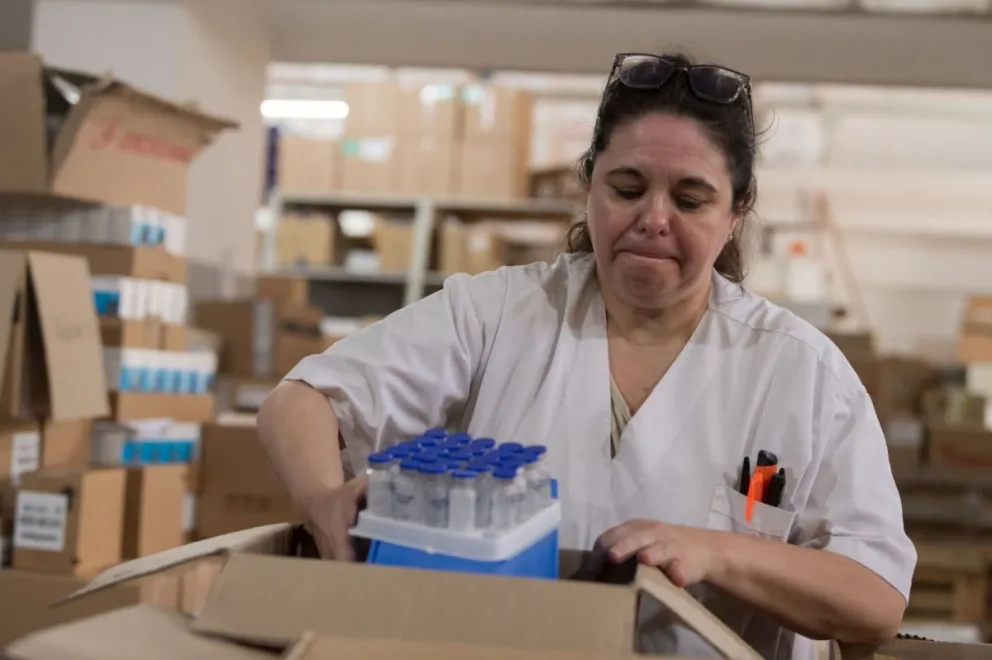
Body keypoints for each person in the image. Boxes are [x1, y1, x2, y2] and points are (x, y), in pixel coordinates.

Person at [258, 52, 915, 659]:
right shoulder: (498, 315)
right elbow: (304, 399)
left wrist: (717, 552)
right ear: (589, 185)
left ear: (738, 211)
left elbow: (875, 598)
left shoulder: (799, 372)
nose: (654, 218)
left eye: (690, 199)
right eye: (626, 188)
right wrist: (320, 498)